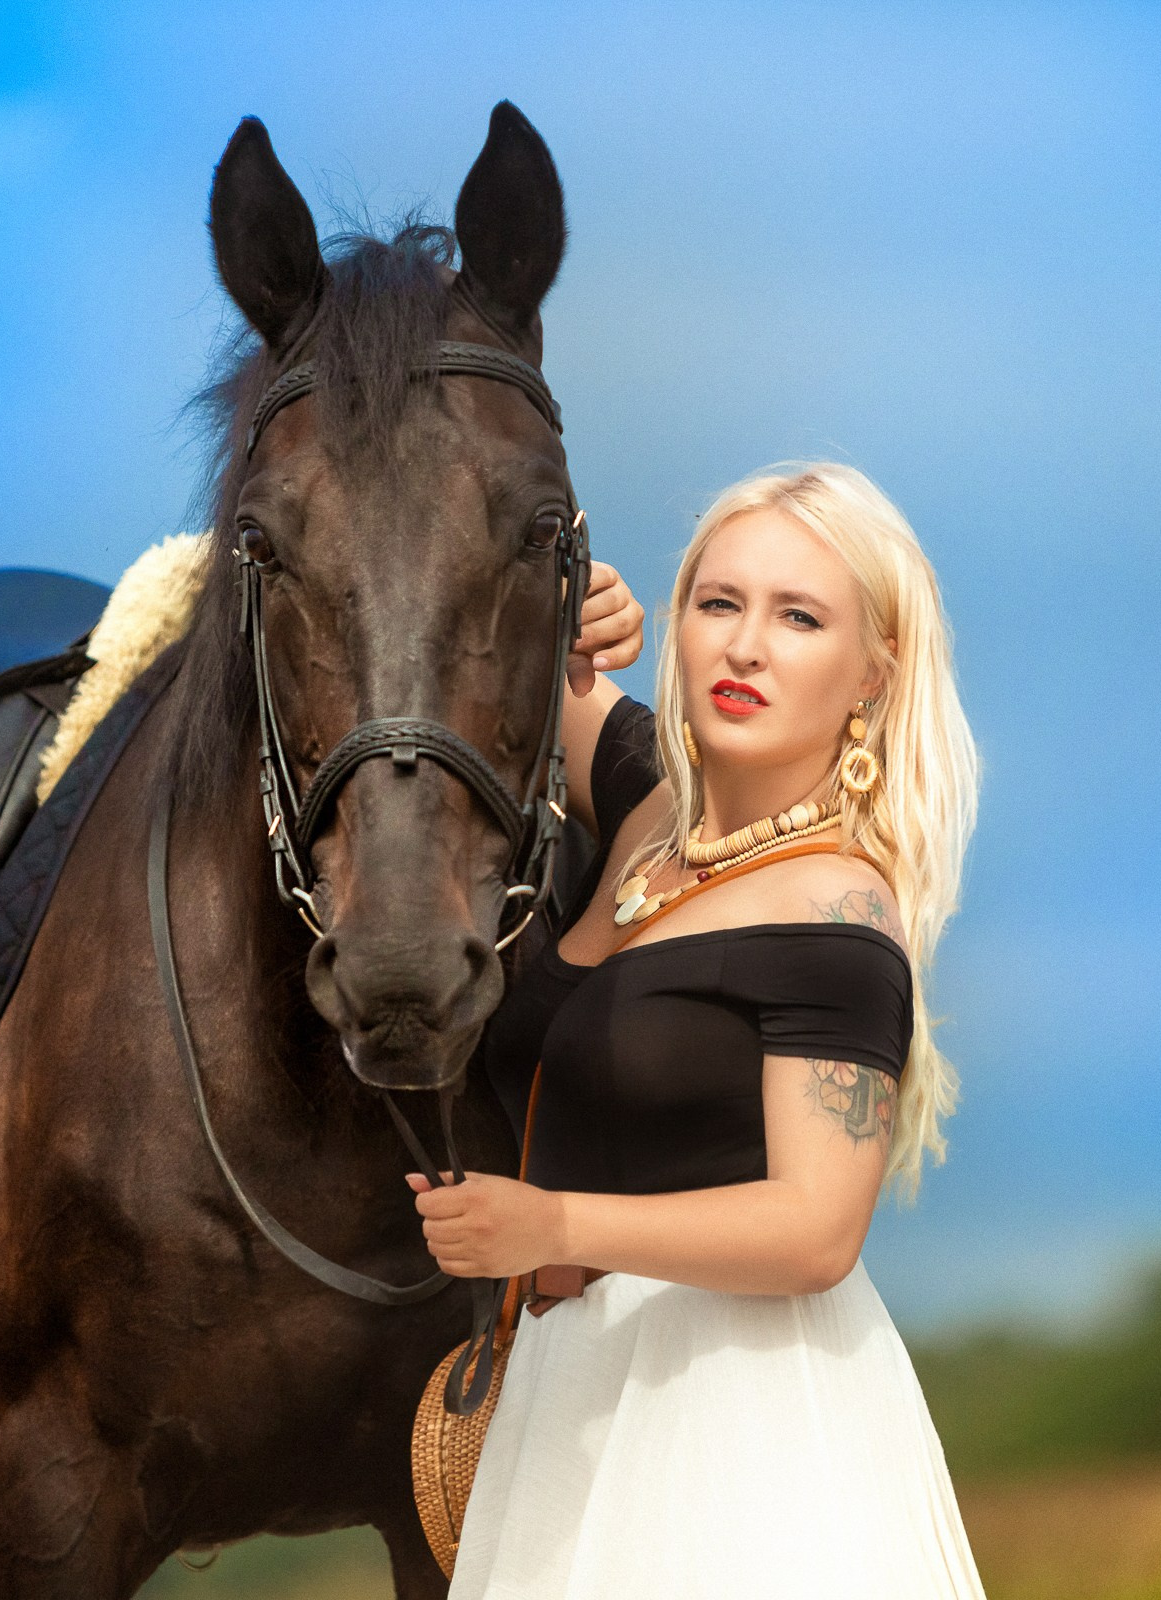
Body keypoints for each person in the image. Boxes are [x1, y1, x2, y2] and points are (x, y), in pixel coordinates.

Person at [408, 461, 986, 1597]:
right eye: (719, 602)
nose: (746, 646)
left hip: (742, 1420)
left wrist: (551, 1222)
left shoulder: (838, 910)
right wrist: (572, 603)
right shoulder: (648, 810)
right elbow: (504, 650)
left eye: (799, 617)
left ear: (873, 673)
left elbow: (817, 1230)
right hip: (574, 1396)